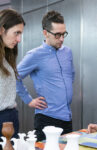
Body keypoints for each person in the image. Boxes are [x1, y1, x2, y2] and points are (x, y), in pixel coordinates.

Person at [16, 10, 75, 141]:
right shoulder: (34, 55)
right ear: (45, 33)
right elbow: (15, 77)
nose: (62, 39)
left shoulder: (68, 52)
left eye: (64, 34)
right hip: (47, 120)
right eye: (57, 35)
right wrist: (29, 100)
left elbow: (71, 75)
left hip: (67, 118)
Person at [0, 8, 25, 139]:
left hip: (10, 116)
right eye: (16, 33)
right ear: (1, 30)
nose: (19, 39)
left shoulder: (6, 56)